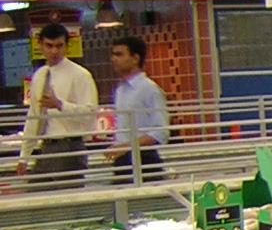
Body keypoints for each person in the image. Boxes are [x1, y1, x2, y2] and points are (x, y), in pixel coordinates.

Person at [17, 22, 97, 186]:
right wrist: (24, 156)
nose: (54, 51)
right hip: (45, 146)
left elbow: (90, 113)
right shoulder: (40, 75)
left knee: (67, 198)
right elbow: (34, 116)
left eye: (59, 46)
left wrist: (60, 105)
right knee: (36, 196)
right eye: (49, 46)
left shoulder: (80, 75)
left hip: (70, 145)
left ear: (67, 46)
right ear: (40, 45)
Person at [107, 36, 168, 183]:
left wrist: (127, 146)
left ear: (135, 58)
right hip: (123, 159)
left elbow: (161, 132)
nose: (113, 59)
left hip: (144, 159)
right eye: (113, 54)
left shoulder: (149, 89)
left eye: (119, 54)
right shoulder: (121, 89)